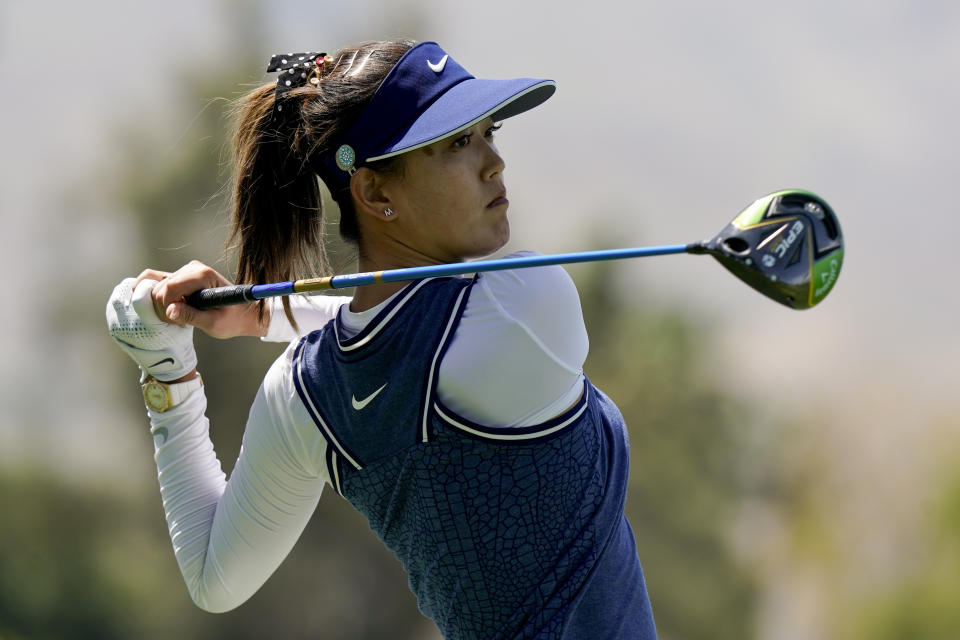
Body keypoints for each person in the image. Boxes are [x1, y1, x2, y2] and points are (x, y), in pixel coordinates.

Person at [106, 40, 658, 639]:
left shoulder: (302, 396)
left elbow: (214, 578)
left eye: (487, 131)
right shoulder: (529, 297)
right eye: (456, 143)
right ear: (374, 194)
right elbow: (425, 331)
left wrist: (169, 373)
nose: (494, 162)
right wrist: (271, 317)